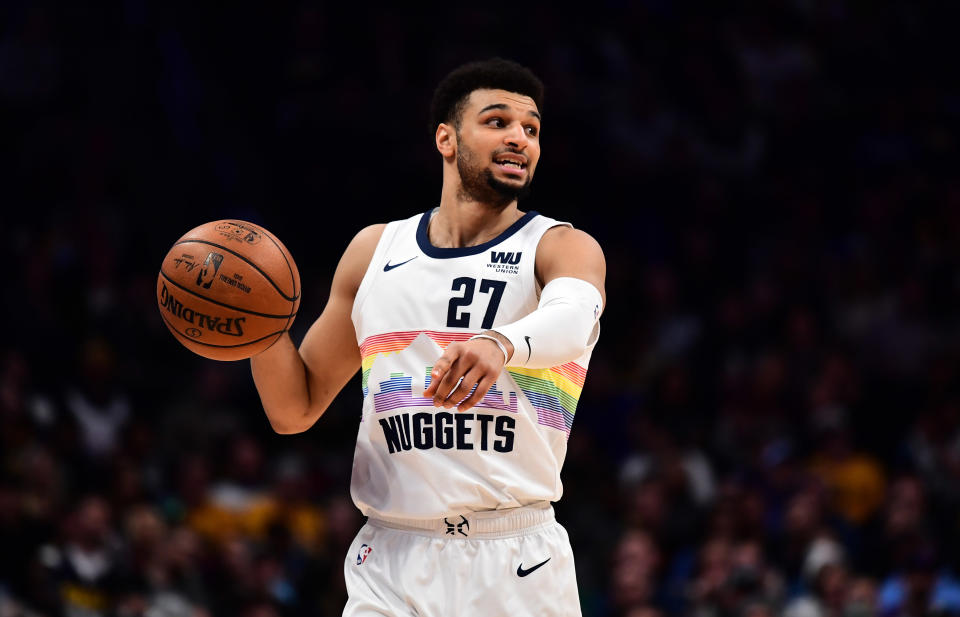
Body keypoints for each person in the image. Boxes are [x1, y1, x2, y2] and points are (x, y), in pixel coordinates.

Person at [250, 57, 606, 616]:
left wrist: (500, 343)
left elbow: (576, 314)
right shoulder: (375, 250)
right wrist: (258, 332)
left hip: (513, 559)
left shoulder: (559, 246)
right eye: (497, 122)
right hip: (390, 556)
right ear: (446, 138)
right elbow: (293, 409)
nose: (519, 138)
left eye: (531, 129)